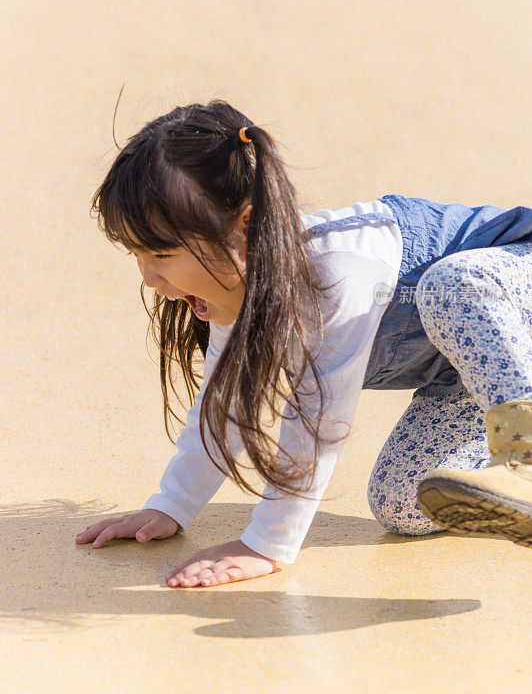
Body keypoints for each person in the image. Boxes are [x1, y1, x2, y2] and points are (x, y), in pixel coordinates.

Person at [75, 99, 532, 588]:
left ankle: (524, 461)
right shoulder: (240, 294)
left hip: (513, 285)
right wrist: (170, 507)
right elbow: (221, 406)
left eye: (162, 254)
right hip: (481, 377)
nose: (149, 277)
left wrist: (266, 544)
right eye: (136, 254)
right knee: (402, 502)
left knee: (451, 287)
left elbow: (317, 418)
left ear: (245, 227)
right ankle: (513, 480)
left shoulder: (338, 269)